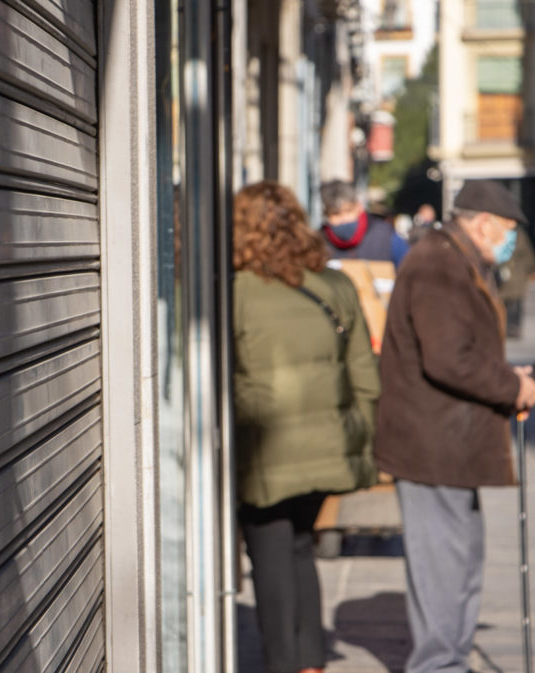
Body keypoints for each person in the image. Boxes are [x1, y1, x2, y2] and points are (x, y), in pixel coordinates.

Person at [374, 180, 535, 673]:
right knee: (442, 568)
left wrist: (514, 379)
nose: (509, 241)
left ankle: (449, 660)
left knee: (463, 563)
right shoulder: (438, 263)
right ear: (483, 222)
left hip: (451, 443)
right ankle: (438, 666)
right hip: (432, 445)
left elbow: (462, 351)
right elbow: (449, 359)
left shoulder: (457, 259)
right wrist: (512, 388)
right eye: (508, 231)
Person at [233, 181, 380, 673]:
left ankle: (283, 662)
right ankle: (311, 663)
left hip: (265, 451)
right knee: (300, 549)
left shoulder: (235, 291)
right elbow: (365, 375)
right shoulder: (334, 285)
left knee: (271, 558)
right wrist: (357, 440)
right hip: (325, 447)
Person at [319, 179, 409, 268]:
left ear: (359, 206)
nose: (344, 219)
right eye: (336, 214)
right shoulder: (319, 243)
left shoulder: (387, 236)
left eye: (349, 211)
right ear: (325, 214)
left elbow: (408, 270)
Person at [497, 225, 535, 339]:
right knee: (508, 302)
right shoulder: (502, 232)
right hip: (507, 273)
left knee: (515, 302)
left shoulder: (519, 234)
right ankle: (509, 326)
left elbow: (527, 254)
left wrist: (533, 269)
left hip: (516, 273)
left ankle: (513, 327)